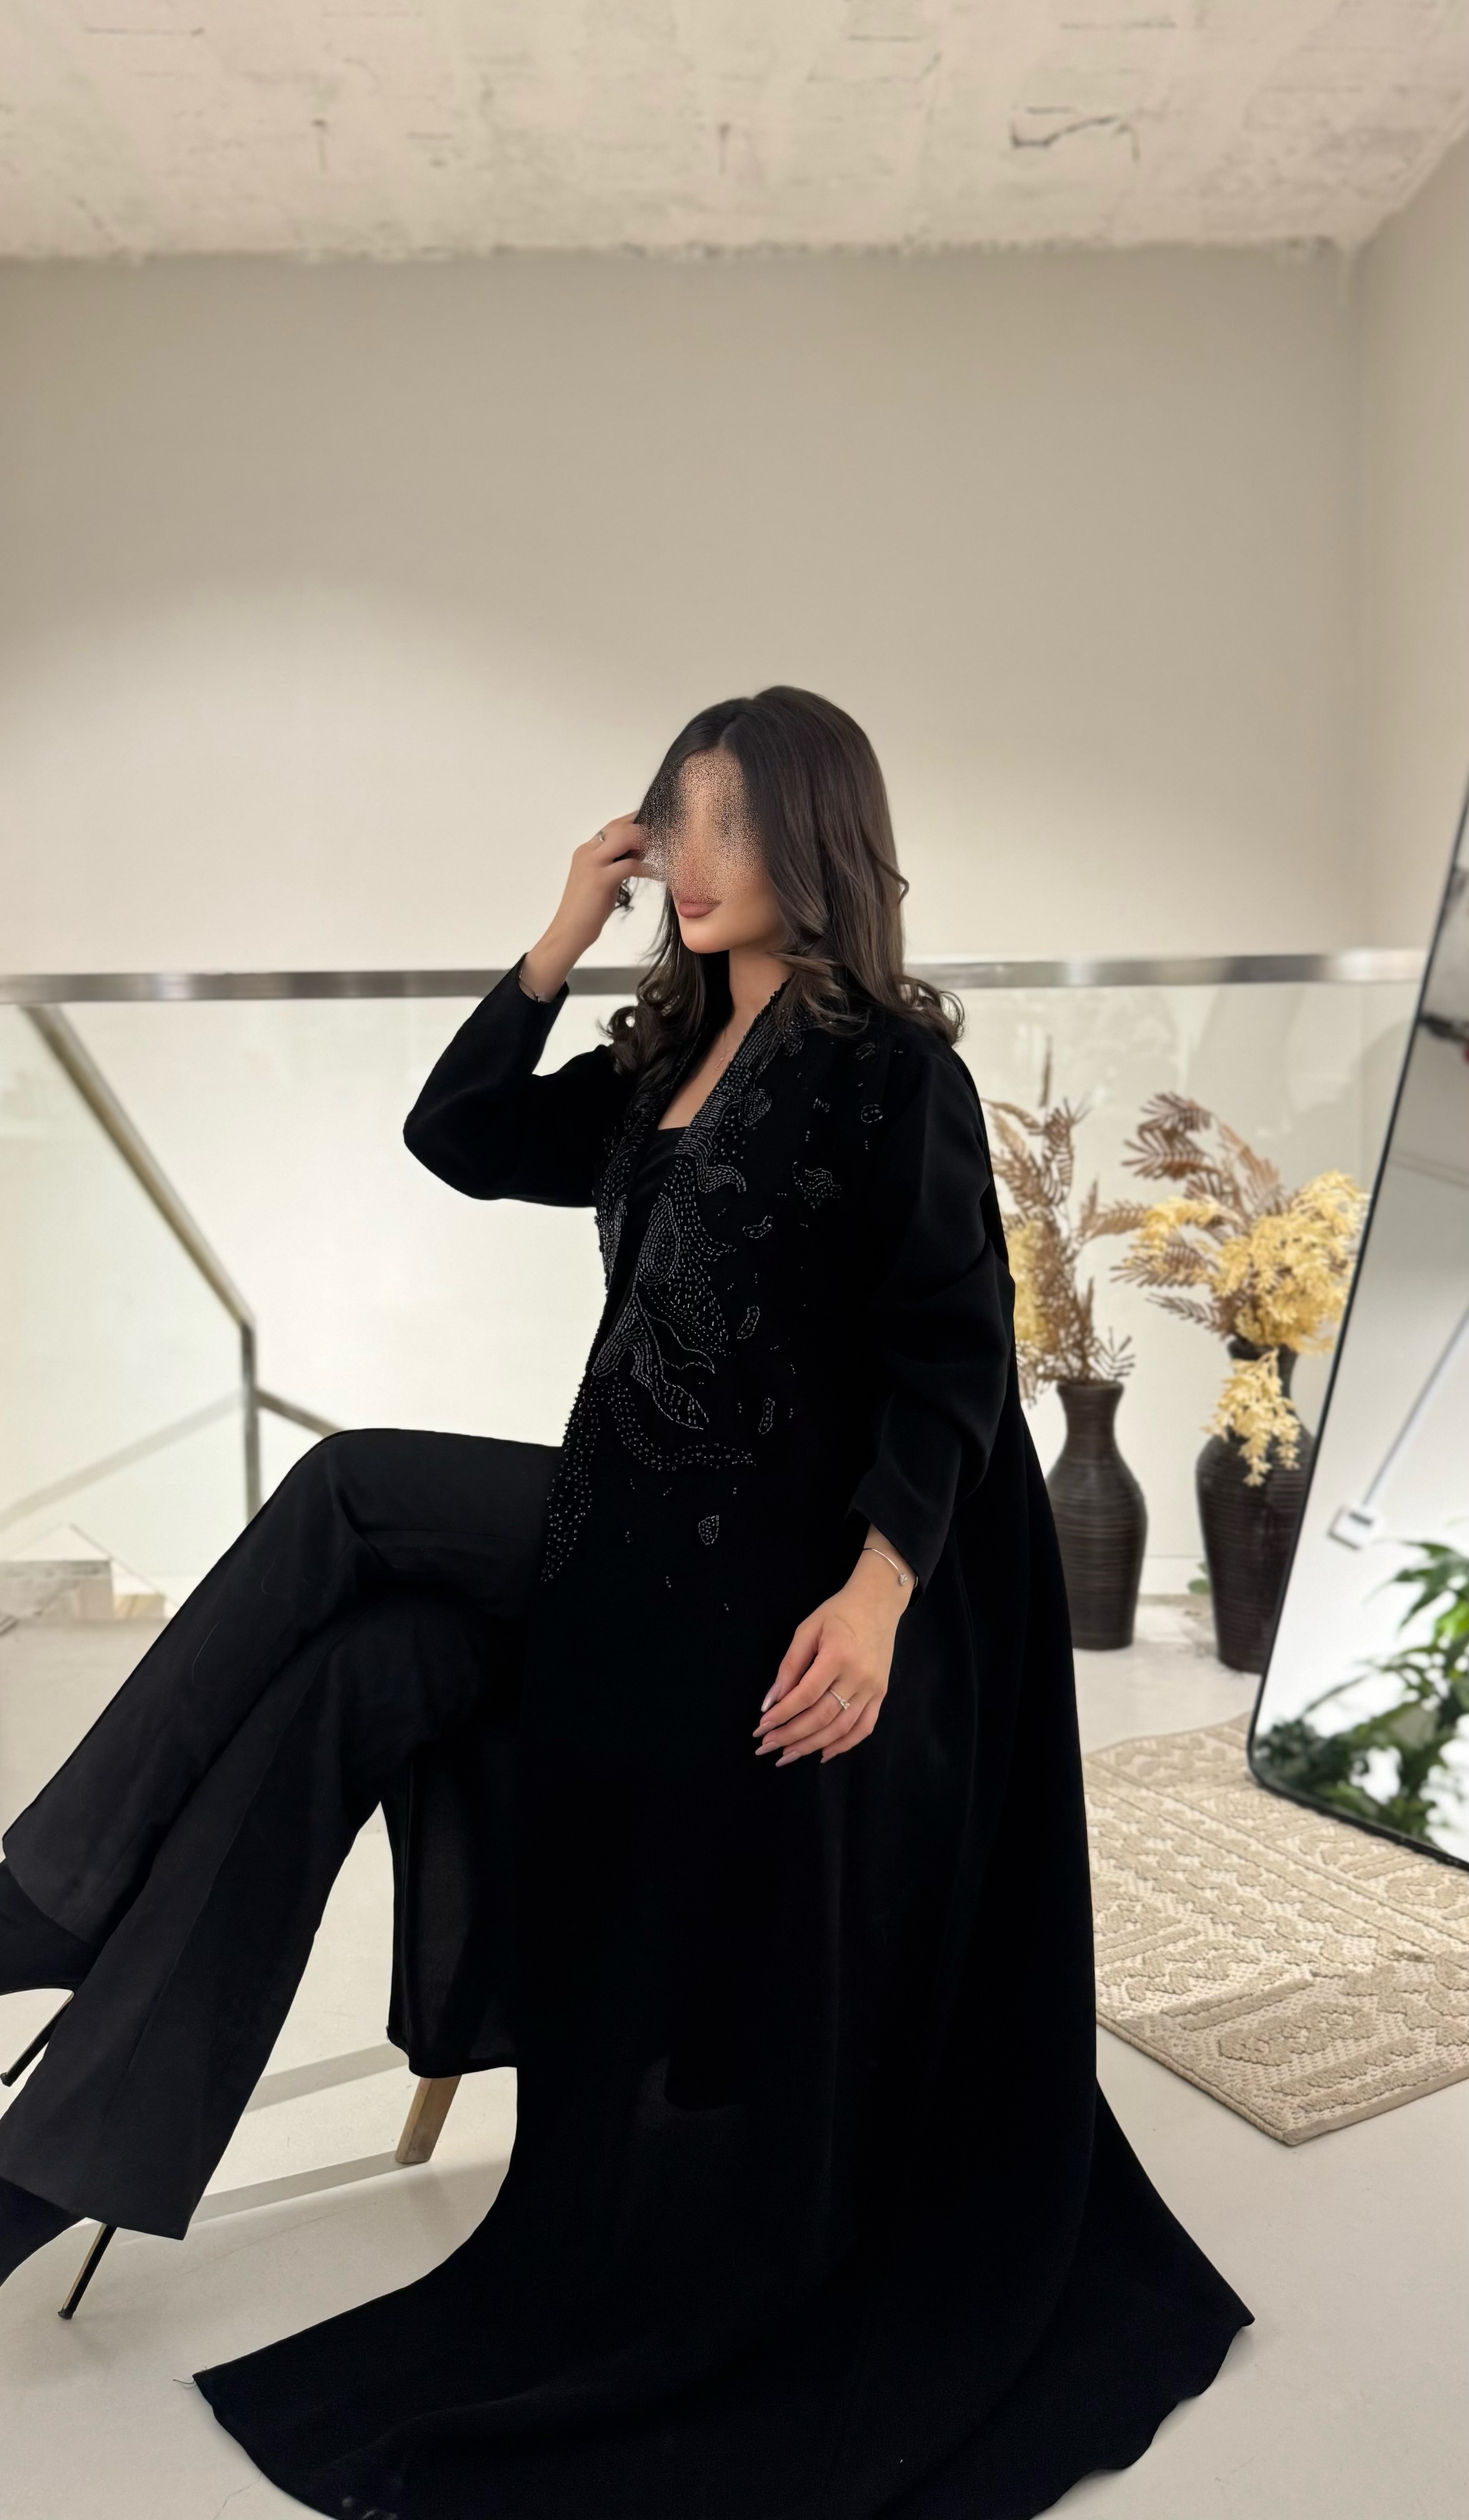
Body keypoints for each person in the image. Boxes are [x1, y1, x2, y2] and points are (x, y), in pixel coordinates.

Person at [0, 688, 1250, 2517]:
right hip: (618, 1549)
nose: (693, 858)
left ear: (812, 837)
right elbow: (455, 1133)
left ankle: (42, 1896)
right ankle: (52, 2163)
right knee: (356, 1672)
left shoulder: (885, 1069)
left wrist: (878, 1592)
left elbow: (951, 1355)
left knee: (349, 1486)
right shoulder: (660, 1056)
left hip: (751, 1573)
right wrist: (559, 937)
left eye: (729, 821)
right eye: (678, 822)